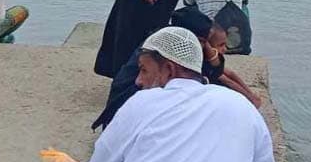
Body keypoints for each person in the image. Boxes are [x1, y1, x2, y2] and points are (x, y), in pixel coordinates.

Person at [70, 27, 295, 162]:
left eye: (143, 70)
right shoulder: (241, 106)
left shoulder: (141, 104)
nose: (138, 81)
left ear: (169, 69)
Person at [91, 7, 259, 131]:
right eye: (203, 42)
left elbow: (215, 72)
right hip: (127, 109)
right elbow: (213, 76)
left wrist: (208, 51)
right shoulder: (165, 50)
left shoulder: (173, 41)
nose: (205, 47)